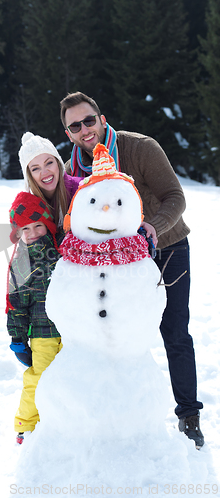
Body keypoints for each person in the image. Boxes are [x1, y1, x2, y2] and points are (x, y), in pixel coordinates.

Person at [59, 91, 204, 448]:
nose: (84, 129)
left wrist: (153, 226)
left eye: (88, 120)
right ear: (68, 133)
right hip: (116, 264)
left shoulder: (139, 148)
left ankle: (189, 415)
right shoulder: (72, 170)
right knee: (117, 338)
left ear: (102, 118)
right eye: (74, 126)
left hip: (167, 249)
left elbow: (176, 196)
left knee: (174, 332)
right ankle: (123, 420)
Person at [6, 191, 63, 445]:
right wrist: (18, 339)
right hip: (42, 334)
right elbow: (16, 305)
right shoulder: (21, 262)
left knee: (70, 377)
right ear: (17, 233)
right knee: (38, 378)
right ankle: (26, 425)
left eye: (38, 225)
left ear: (48, 224)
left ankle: (62, 420)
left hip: (72, 330)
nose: (32, 233)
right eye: (25, 228)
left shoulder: (64, 250)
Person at [18, 132, 82, 229]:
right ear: (29, 176)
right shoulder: (28, 209)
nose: (44, 172)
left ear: (58, 163)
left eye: (49, 163)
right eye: (35, 169)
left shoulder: (82, 190)